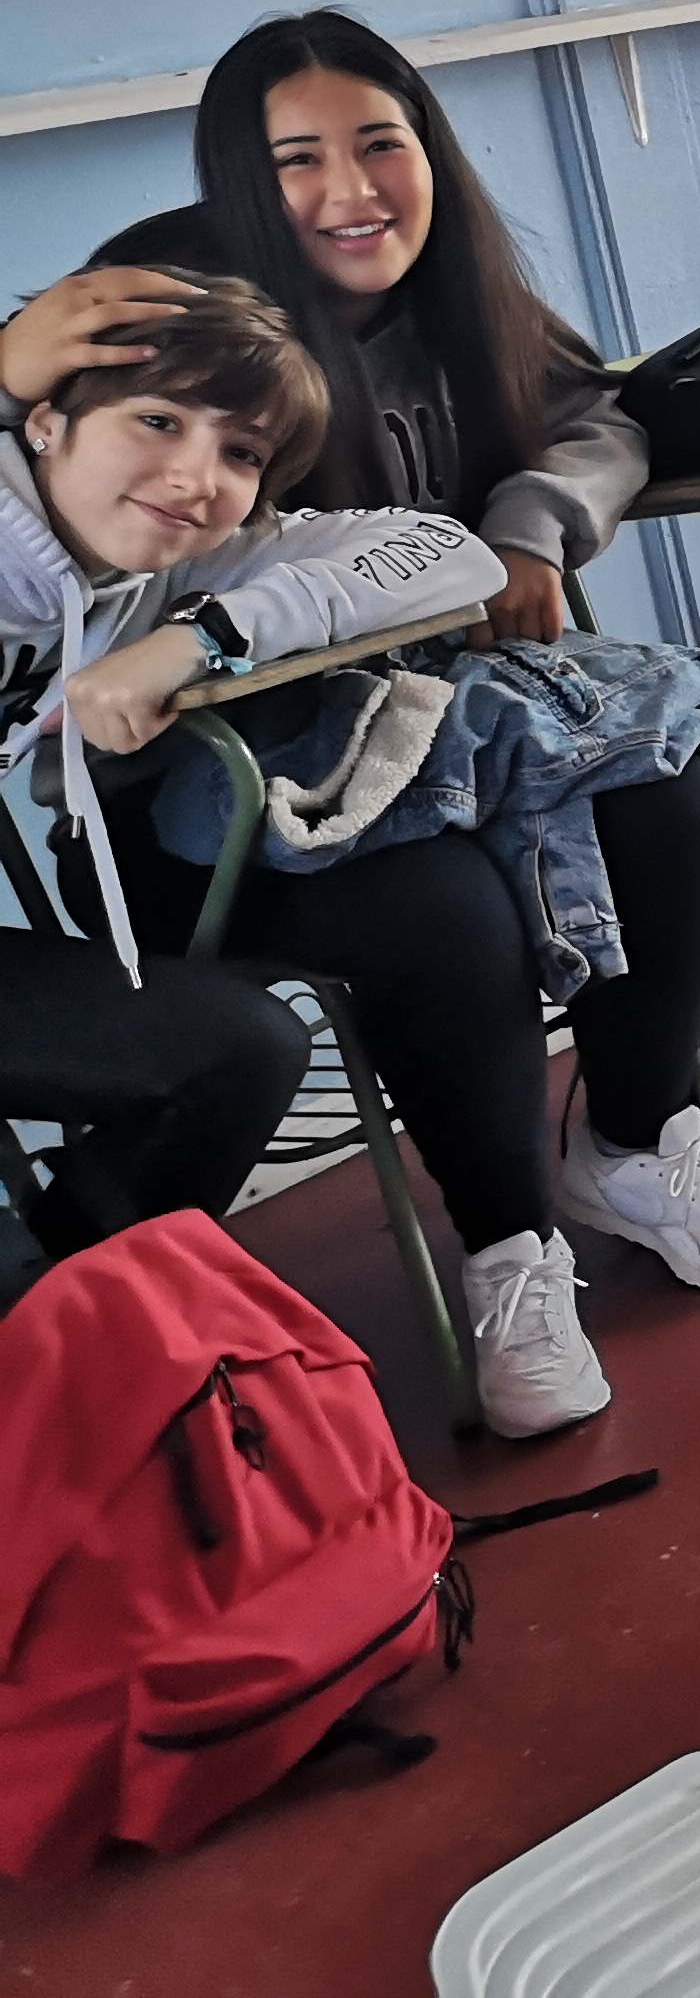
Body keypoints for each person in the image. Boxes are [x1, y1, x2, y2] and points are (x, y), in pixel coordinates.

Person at [124, 9, 700, 1433]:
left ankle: (633, 1145)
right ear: (240, 177)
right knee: (444, 906)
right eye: (297, 159)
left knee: (670, 788)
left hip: (443, 730)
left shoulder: (462, 292)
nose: (350, 191)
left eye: (381, 144)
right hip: (228, 793)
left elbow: (600, 417)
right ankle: (511, 1257)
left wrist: (530, 527)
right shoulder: (174, 314)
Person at [0, 276, 401, 1314]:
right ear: (43, 424)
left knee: (245, 1049)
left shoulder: (148, 574)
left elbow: (445, 553)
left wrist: (201, 638)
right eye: (157, 420)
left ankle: (63, 1336)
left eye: (242, 452)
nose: (194, 477)